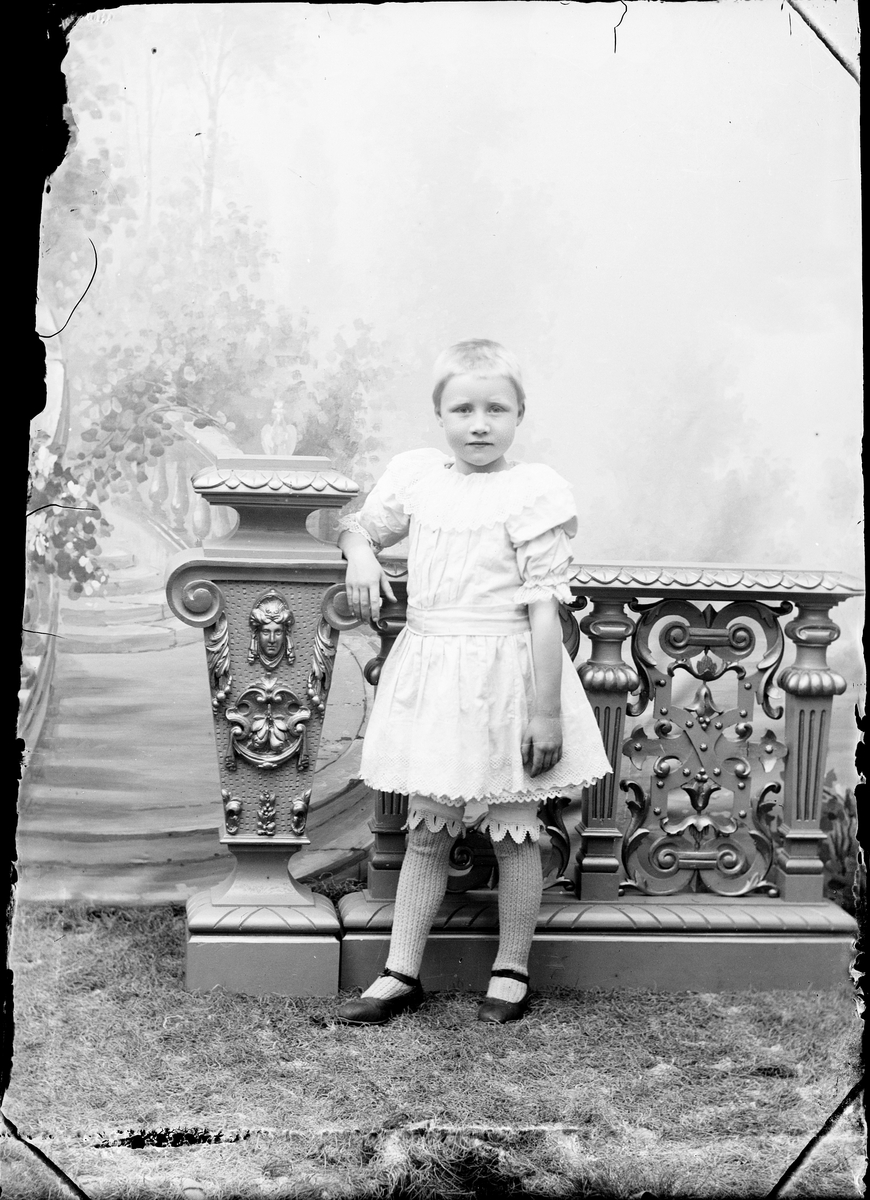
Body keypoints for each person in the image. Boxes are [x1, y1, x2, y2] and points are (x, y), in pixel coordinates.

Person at [334, 339, 611, 1025]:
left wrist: (544, 712)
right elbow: (359, 526)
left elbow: (544, 609)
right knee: (429, 826)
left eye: (496, 409)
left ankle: (511, 969)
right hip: (434, 670)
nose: (479, 424)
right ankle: (400, 973)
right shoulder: (419, 478)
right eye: (463, 409)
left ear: (519, 415)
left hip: (505, 674)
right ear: (439, 415)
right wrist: (360, 553)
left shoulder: (531, 492)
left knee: (515, 831)